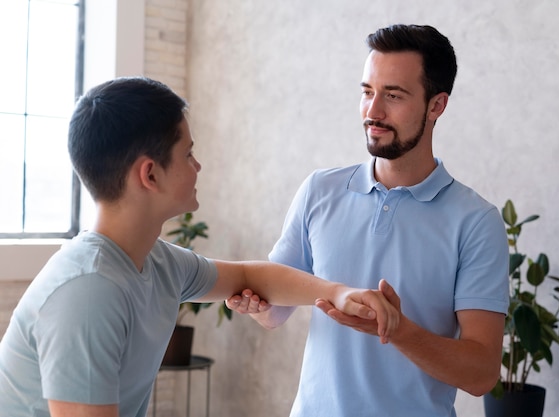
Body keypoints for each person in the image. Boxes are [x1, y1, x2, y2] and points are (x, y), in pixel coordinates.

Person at [0, 77, 397, 417]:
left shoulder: (154, 261)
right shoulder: (88, 293)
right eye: (188, 153)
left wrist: (338, 293)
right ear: (150, 174)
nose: (198, 166)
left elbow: (247, 275)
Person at [226, 24, 509, 416]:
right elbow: (276, 313)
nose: (373, 112)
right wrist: (257, 305)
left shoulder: (476, 222)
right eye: (367, 92)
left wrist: (401, 331)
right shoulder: (318, 190)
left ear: (436, 106)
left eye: (393, 96)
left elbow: (481, 375)